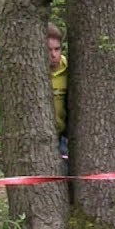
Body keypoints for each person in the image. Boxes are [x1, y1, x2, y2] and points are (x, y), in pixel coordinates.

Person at [48, 23, 69, 159]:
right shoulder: (34, 72)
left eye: (57, 49)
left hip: (63, 137)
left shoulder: (69, 69)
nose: (53, 55)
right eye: (49, 50)